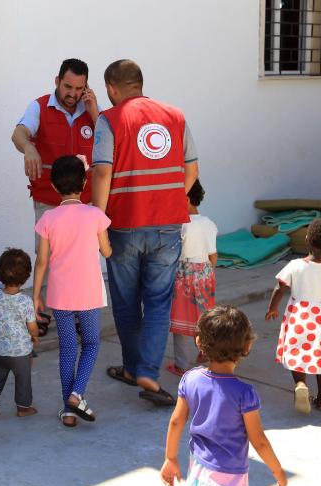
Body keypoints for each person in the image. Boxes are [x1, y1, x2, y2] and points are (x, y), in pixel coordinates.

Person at [92, 59, 200, 406]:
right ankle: (148, 373)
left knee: (126, 301)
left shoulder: (109, 119)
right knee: (157, 302)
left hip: (124, 224)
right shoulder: (176, 116)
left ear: (111, 88)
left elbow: (102, 173)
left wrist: (98, 220)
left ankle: (131, 366)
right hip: (167, 225)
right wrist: (170, 199)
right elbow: (192, 170)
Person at [12, 58, 101, 332]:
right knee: (47, 257)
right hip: (49, 200)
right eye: (67, 86)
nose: (72, 94)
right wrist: (28, 147)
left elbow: (111, 141)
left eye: (79, 88)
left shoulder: (92, 111)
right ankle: (44, 310)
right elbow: (19, 133)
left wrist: (95, 111)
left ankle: (77, 313)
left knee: (81, 259)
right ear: (56, 81)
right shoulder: (38, 106)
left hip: (84, 202)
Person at [161, 306, 286, 486]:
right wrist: (278, 471)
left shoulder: (190, 379)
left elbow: (176, 422)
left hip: (198, 465)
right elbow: (258, 440)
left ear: (199, 342)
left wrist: (170, 458)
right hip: (229, 476)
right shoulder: (244, 393)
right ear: (247, 346)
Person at [32, 156, 112, 428]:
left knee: (67, 349)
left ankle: (68, 410)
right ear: (85, 182)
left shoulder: (48, 218)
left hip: (59, 294)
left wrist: (35, 296)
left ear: (54, 186)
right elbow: (106, 250)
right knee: (91, 344)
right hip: (89, 292)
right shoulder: (94, 215)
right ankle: (78, 394)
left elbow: (41, 261)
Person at [266, 217, 321, 414]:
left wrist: (273, 308)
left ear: (307, 239)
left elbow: (279, 289)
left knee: (297, 354)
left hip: (299, 316)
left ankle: (301, 385)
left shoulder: (294, 265)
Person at [167, 180, 218, 376]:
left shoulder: (181, 225)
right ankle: (205, 353)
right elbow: (213, 256)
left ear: (186, 198)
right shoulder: (209, 224)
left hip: (183, 274)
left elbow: (173, 254)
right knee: (203, 317)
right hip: (205, 273)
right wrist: (205, 272)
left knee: (179, 320)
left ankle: (181, 365)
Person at [0, 248, 39, 419]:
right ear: (26, 275)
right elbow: (32, 326)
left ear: (0, 272)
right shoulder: (26, 301)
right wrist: (35, 335)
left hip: (0, 351)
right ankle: (23, 408)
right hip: (21, 353)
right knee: (23, 380)